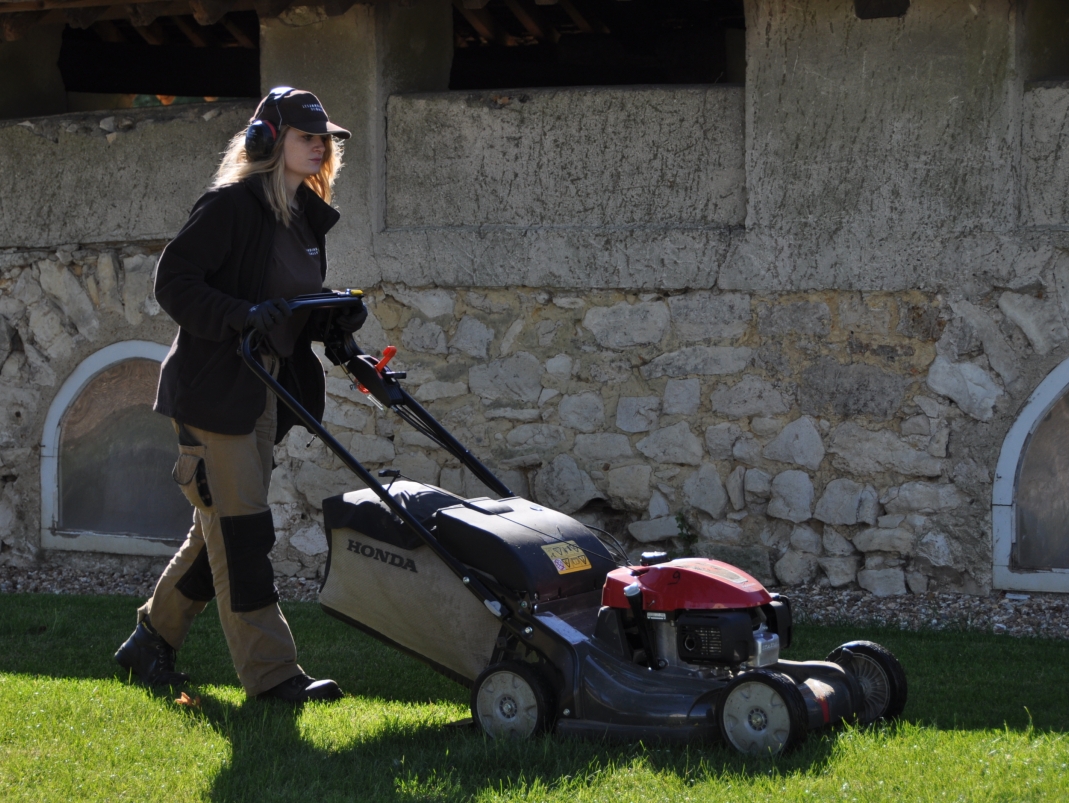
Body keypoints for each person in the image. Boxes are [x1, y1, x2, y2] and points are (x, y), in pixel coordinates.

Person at [114, 87, 367, 703]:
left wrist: (332, 323)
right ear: (266, 141)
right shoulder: (229, 206)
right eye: (307, 135)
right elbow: (173, 282)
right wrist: (240, 314)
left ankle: (149, 642)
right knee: (244, 534)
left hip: (265, 387)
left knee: (221, 530)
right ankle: (273, 676)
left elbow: (285, 301)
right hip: (215, 391)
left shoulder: (302, 213)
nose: (320, 146)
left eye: (324, 138)